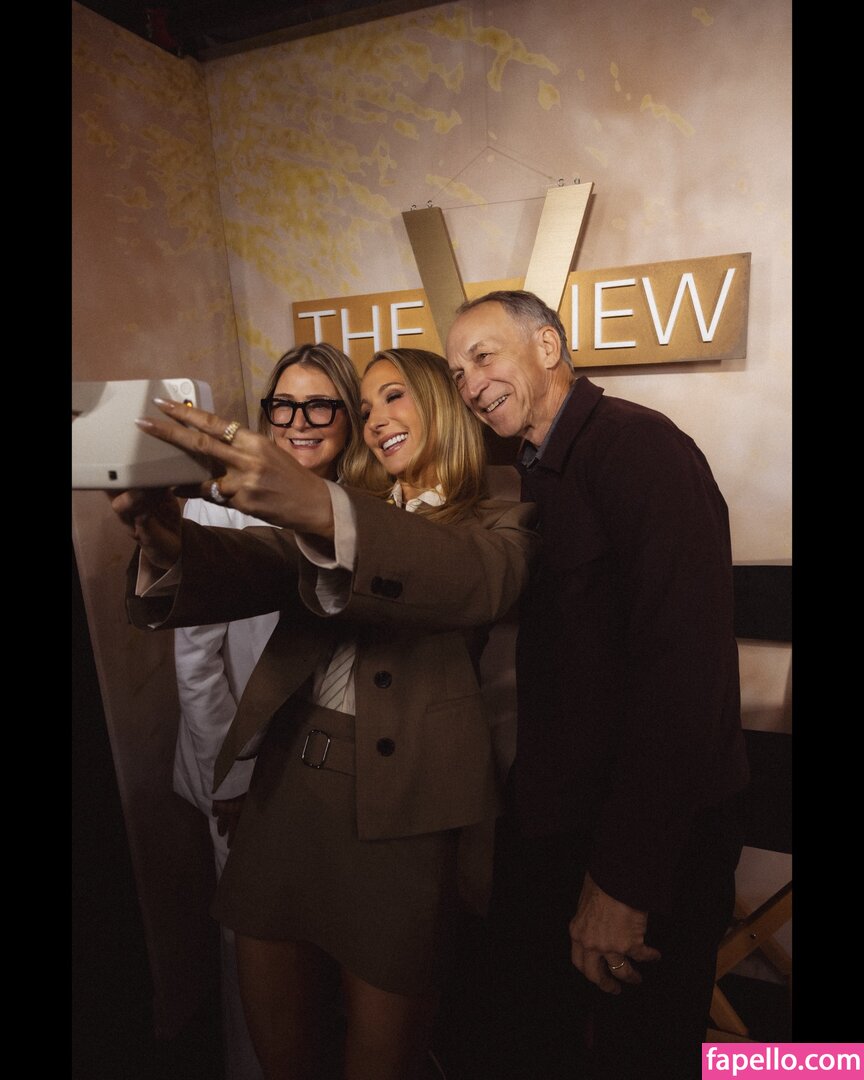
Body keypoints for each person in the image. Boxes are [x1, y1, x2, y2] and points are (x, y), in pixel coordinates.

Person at [110, 347, 537, 1080]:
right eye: (366, 409)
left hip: (404, 816)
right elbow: (261, 564)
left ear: (443, 404)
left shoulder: (499, 520)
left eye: (394, 397)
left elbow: (469, 579)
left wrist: (316, 505)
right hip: (285, 793)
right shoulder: (344, 513)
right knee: (280, 1049)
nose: (376, 422)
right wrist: (160, 531)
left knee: (381, 1056)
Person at [444, 290, 750, 1080]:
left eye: (482, 357)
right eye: (456, 373)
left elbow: (684, 681)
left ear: (548, 347)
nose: (469, 385)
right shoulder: (538, 468)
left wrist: (624, 882)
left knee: (640, 1051)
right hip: (566, 824)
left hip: (647, 840)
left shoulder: (640, 449)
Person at [172, 343, 362, 1080]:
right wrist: (229, 780)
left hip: (325, 773)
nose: (298, 422)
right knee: (251, 950)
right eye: (284, 405)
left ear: (347, 416)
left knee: (319, 947)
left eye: (319, 405)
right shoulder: (216, 507)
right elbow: (197, 666)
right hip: (243, 774)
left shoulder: (361, 510)